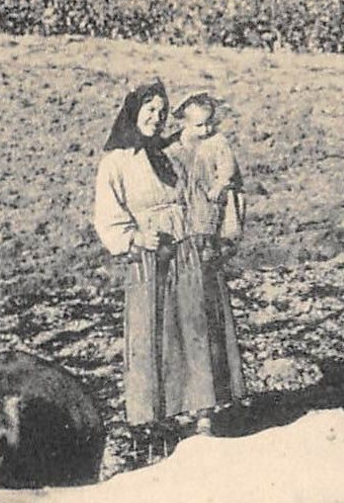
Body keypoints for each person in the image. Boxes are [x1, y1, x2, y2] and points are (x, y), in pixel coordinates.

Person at [93, 80, 239, 453]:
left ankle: (202, 413)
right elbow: (108, 214)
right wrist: (135, 238)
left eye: (161, 112)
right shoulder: (116, 162)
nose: (156, 118)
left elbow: (209, 178)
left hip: (186, 247)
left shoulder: (172, 152)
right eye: (149, 110)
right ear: (133, 112)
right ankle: (154, 419)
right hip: (149, 254)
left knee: (193, 325)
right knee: (153, 329)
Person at [165, 91, 247, 435]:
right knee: (178, 325)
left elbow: (232, 187)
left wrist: (226, 230)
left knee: (205, 325)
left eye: (209, 122)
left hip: (204, 242)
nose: (206, 128)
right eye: (199, 124)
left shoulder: (217, 147)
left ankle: (208, 407)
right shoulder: (168, 152)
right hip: (174, 246)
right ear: (182, 120)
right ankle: (182, 403)